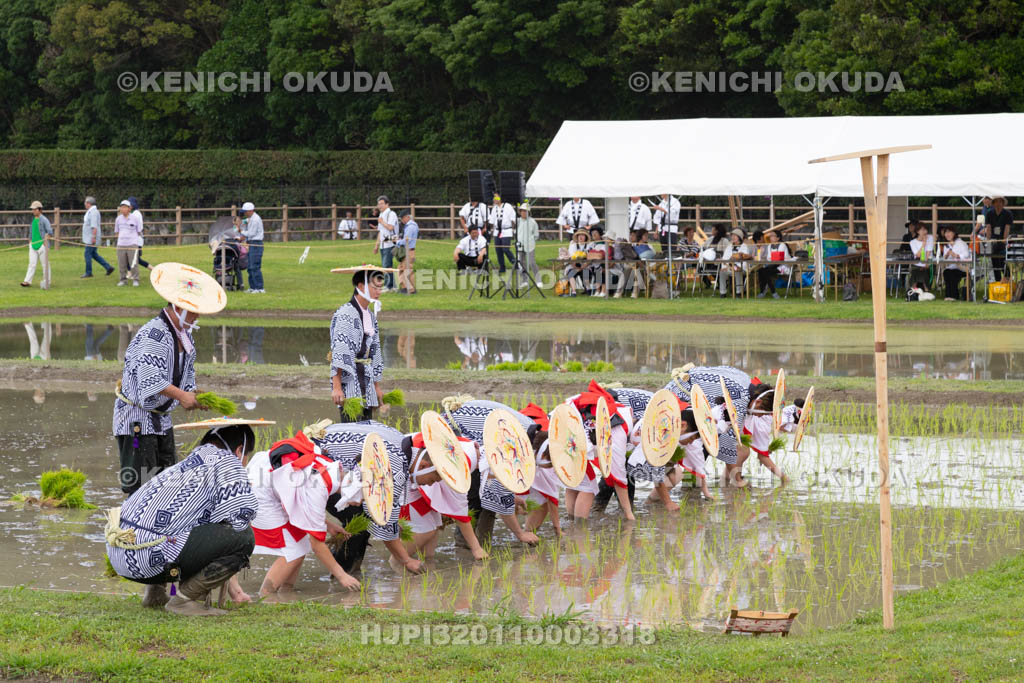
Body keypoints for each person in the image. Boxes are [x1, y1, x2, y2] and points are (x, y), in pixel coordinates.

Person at [104, 420, 264, 614]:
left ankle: (155, 593)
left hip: (120, 556)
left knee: (175, 524)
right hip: (147, 559)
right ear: (240, 450)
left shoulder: (187, 464)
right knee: (243, 538)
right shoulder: (228, 463)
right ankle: (182, 601)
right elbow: (240, 517)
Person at [113, 262, 227, 496]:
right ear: (179, 308)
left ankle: (162, 531)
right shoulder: (154, 334)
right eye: (194, 312)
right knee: (140, 487)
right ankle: (133, 531)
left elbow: (186, 378)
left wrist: (195, 395)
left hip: (161, 421)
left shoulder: (185, 338)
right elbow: (149, 379)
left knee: (167, 485)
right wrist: (182, 396)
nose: (196, 317)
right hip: (137, 423)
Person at [247, 425, 361, 596]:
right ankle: (265, 595)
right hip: (260, 490)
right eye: (360, 500)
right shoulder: (320, 488)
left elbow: (303, 500)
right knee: (293, 549)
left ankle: (286, 590)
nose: (358, 505)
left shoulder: (332, 467)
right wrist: (342, 575)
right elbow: (317, 544)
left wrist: (327, 524)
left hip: (267, 474)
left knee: (300, 542)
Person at [320, 421, 424, 575]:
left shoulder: (400, 441)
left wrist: (391, 523)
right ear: (424, 466)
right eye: (435, 478)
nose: (432, 483)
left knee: (362, 519)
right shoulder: (397, 466)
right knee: (359, 521)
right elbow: (383, 518)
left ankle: (350, 570)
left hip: (328, 456)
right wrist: (406, 560)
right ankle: (342, 575)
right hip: (316, 467)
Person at [440, 396, 540, 547]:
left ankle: (482, 542)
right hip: (451, 437)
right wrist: (521, 534)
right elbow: (497, 490)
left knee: (486, 492)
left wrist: (511, 497)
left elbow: (499, 485)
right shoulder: (512, 443)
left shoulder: (528, 431)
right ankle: (466, 546)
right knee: (473, 495)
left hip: (470, 433)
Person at [400, 427, 489, 561]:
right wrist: (476, 549)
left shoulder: (466, 445)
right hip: (407, 477)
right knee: (426, 530)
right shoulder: (458, 467)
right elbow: (460, 513)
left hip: (417, 472)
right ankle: (398, 562)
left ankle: (427, 564)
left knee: (435, 525)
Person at [666, 364, 751, 488]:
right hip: (677, 404)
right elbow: (729, 446)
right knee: (689, 451)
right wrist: (738, 481)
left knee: (697, 450)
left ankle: (692, 487)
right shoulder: (739, 400)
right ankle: (688, 488)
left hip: (695, 409)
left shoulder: (744, 385)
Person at [329, 265, 395, 423]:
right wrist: (337, 387)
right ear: (361, 286)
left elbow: (375, 352)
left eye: (381, 287)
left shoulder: (371, 316)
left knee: (367, 428)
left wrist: (377, 386)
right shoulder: (346, 314)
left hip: (367, 379)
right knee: (351, 430)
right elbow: (339, 351)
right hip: (350, 380)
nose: (379, 291)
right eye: (375, 287)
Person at [737, 386, 788, 483]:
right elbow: (762, 456)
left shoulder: (762, 416)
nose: (761, 415)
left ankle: (730, 479)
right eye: (764, 413)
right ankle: (735, 480)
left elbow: (762, 454)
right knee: (743, 451)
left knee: (742, 451)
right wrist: (784, 478)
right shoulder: (761, 420)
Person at [21, 200, 52, 289]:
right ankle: (27, 281)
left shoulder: (44, 220)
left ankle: (47, 281)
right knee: (32, 263)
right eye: (32, 209)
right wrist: (30, 240)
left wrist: (44, 243)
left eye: (34, 209)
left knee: (45, 264)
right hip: (33, 245)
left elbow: (50, 232)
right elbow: (31, 232)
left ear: (39, 209)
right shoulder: (34, 220)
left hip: (42, 246)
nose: (33, 211)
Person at [81, 196, 114, 278]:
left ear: (89, 203)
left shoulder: (93, 213)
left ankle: (88, 272)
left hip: (91, 238)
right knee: (94, 254)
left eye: (85, 202)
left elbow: (94, 226)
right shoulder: (91, 212)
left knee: (87, 254)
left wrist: (93, 237)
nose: (84, 204)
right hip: (90, 237)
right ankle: (108, 267)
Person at [237, 201, 265, 293]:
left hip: (256, 244)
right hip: (252, 243)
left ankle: (259, 288)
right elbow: (248, 232)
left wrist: (240, 231)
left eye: (245, 211)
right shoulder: (250, 219)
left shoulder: (255, 219)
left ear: (250, 211)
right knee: (249, 266)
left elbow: (252, 234)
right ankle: (253, 287)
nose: (244, 213)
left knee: (255, 266)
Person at [985, 196, 1014, 281]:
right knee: (994, 261)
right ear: (993, 204)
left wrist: (1004, 240)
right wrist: (988, 241)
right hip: (993, 240)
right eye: (996, 202)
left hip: (1002, 240)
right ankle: (997, 281)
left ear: (1003, 203)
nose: (998, 204)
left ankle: (1007, 278)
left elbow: (1007, 228)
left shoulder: (1008, 213)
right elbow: (988, 228)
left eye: (1000, 202)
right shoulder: (989, 213)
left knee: (1003, 260)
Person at [373, 196, 399, 290]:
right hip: (383, 245)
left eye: (382, 203)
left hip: (390, 243)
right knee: (387, 265)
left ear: (387, 204)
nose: (380, 206)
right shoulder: (381, 215)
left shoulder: (391, 214)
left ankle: (389, 286)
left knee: (386, 265)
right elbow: (380, 232)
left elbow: (390, 227)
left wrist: (382, 222)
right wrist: (376, 245)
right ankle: (391, 286)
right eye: (378, 204)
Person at [114, 200, 142, 287]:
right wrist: (122, 239)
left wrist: (133, 240)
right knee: (121, 263)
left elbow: (139, 231)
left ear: (129, 209)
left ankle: (136, 279)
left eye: (125, 207)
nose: (123, 209)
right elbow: (116, 232)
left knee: (133, 263)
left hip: (132, 243)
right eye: (121, 207)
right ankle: (123, 280)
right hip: (121, 244)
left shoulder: (135, 218)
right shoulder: (118, 219)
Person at [939, 225, 971, 301]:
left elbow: (966, 255)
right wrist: (946, 256)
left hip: (962, 268)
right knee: (946, 272)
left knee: (952, 274)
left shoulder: (961, 243)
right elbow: (944, 259)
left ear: (954, 233)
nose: (947, 234)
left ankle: (954, 296)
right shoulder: (946, 245)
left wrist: (956, 255)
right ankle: (948, 295)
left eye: (949, 232)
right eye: (946, 232)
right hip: (951, 267)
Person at [488, 194, 517, 276]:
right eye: (494, 197)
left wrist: (513, 230)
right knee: (498, 250)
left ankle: (515, 263)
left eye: (496, 197)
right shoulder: (494, 208)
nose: (495, 199)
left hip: (506, 230)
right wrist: (490, 231)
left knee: (505, 249)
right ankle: (502, 267)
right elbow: (492, 221)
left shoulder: (508, 206)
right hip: (497, 231)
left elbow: (513, 219)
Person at [757, 231, 790, 299]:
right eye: (770, 236)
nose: (771, 237)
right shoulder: (769, 246)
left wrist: (772, 259)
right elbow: (769, 258)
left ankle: (772, 292)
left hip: (782, 266)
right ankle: (762, 291)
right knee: (760, 270)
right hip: (772, 265)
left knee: (765, 271)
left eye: (773, 236)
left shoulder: (782, 245)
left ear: (778, 238)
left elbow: (779, 259)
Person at [719, 228, 752, 297]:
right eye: (732, 235)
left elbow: (745, 260)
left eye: (735, 235)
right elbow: (725, 258)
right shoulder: (729, 246)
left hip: (741, 268)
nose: (733, 237)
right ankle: (723, 293)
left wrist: (739, 267)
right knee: (722, 272)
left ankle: (738, 292)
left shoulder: (744, 247)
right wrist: (725, 267)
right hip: (730, 267)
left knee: (737, 271)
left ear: (739, 237)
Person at [516, 203, 540, 281]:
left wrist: (531, 240)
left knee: (532, 262)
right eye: (522, 211)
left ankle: (538, 280)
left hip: (530, 245)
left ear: (528, 212)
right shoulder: (518, 221)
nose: (524, 212)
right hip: (520, 245)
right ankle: (524, 280)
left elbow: (536, 235)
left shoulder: (533, 222)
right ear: (520, 211)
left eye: (526, 211)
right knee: (522, 263)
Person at [563, 229, 590, 296]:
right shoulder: (573, 246)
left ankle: (587, 289)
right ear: (577, 237)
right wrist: (575, 267)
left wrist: (584, 266)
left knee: (586, 272)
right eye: (579, 235)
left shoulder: (589, 245)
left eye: (583, 235)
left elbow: (590, 258)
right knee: (571, 274)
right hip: (574, 266)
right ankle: (573, 291)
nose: (581, 237)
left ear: (585, 237)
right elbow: (571, 258)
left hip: (585, 266)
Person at [397, 210, 418, 294]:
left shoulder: (411, 226)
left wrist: (397, 242)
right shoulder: (409, 226)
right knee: (401, 269)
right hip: (406, 250)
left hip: (408, 251)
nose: (402, 220)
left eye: (402, 218)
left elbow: (407, 240)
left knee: (407, 270)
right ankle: (405, 287)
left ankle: (411, 289)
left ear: (407, 217)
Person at [909, 223, 935, 290]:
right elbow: (918, 255)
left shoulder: (930, 238)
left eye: (926, 230)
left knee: (923, 271)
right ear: (918, 231)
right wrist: (923, 244)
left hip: (928, 262)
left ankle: (926, 289)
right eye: (923, 230)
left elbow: (928, 252)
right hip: (917, 263)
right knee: (916, 271)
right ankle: (913, 290)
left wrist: (925, 264)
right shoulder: (912, 242)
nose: (925, 232)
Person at [128, 197, 151, 270]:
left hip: (137, 240)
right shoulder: (133, 213)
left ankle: (153, 268)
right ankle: (152, 268)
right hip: (133, 239)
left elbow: (137, 227)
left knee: (133, 258)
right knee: (133, 258)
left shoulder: (136, 214)